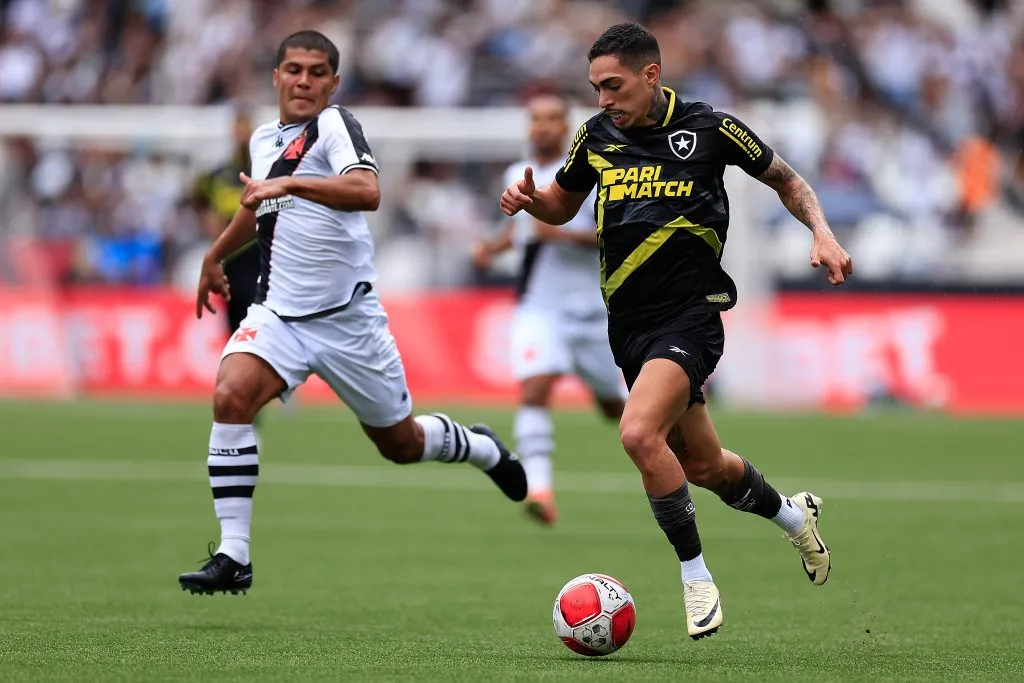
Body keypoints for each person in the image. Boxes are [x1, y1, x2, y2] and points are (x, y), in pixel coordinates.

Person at [500, 23, 853, 640]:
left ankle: (696, 576)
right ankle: (793, 516)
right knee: (705, 466)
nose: (603, 99)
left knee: (637, 434)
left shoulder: (711, 128)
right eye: (595, 88)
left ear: (651, 75)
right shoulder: (595, 136)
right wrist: (530, 200)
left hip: (689, 314)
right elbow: (562, 204)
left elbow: (787, 180)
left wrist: (821, 233)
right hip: (627, 326)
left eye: (612, 85)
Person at [179, 30, 526, 596]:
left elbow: (367, 191)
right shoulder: (265, 137)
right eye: (293, 69)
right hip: (280, 317)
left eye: (317, 72)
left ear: (333, 83)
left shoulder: (335, 126)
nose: (304, 81)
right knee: (229, 395)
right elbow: (256, 204)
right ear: (276, 77)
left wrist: (292, 180)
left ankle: (483, 447)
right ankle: (233, 554)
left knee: (401, 445)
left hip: (348, 321)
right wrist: (215, 254)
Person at [472, 94, 626, 525]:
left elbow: (615, 238)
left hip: (594, 312)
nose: (543, 126)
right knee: (534, 388)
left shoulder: (592, 174)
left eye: (552, 119)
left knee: (618, 408)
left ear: (567, 126)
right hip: (539, 308)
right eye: (536, 118)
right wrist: (491, 246)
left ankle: (684, 455)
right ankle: (538, 490)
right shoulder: (516, 174)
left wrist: (560, 235)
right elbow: (524, 232)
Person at [191, 108, 260, 339]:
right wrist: (210, 225)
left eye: (246, 129)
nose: (242, 135)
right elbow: (197, 200)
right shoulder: (217, 176)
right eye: (238, 129)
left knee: (259, 329)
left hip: (260, 258)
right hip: (231, 260)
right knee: (236, 331)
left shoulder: (264, 172)